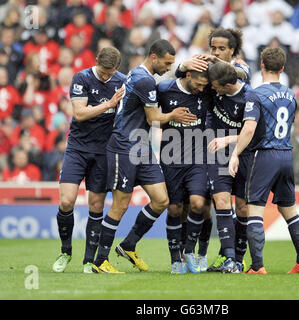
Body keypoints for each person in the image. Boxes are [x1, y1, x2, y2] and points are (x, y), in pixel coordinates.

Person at [92, 39, 197, 274]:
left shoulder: (142, 74)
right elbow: (152, 119)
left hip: (141, 146)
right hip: (124, 146)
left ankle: (129, 245)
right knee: (120, 205)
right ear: (154, 57)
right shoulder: (144, 80)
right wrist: (173, 115)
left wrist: (182, 68)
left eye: (173, 63)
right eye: (167, 63)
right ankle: (100, 261)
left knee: (161, 200)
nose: (169, 68)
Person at [228, 47, 299, 274]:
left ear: (262, 65)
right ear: (282, 68)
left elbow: (249, 129)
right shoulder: (292, 94)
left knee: (255, 211)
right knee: (290, 211)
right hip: (286, 153)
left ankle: (257, 267)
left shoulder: (255, 95)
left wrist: (235, 153)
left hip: (264, 156)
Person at [176, 27, 251, 272]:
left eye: (221, 48)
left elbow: (241, 73)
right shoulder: (204, 68)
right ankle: (209, 254)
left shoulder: (240, 67)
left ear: (232, 50)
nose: (216, 52)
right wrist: (182, 66)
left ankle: (235, 256)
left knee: (241, 206)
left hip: (240, 145)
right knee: (209, 201)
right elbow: (176, 81)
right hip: (211, 144)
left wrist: (218, 63)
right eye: (213, 48)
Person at [52, 47, 126, 274]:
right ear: (96, 62)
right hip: (78, 148)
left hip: (104, 152)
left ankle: (88, 260)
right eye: (103, 72)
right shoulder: (82, 77)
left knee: (96, 205)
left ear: (117, 68)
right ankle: (65, 251)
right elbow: (80, 113)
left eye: (109, 73)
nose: (105, 77)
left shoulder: (123, 82)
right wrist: (108, 104)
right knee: (67, 201)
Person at [158, 68, 211, 274]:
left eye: (204, 85)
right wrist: (169, 116)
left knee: (198, 204)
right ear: (188, 76)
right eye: (198, 84)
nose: (201, 89)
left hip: (198, 158)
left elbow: (240, 78)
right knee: (174, 209)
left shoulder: (207, 91)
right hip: (171, 159)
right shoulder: (164, 89)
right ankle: (175, 259)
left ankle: (189, 250)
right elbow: (149, 112)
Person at [205, 61, 251, 273]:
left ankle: (239, 259)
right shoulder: (216, 89)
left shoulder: (250, 98)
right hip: (217, 155)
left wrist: (228, 139)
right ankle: (229, 258)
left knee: (242, 208)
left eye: (215, 86)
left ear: (228, 85)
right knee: (222, 201)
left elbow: (256, 133)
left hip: (243, 156)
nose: (211, 89)